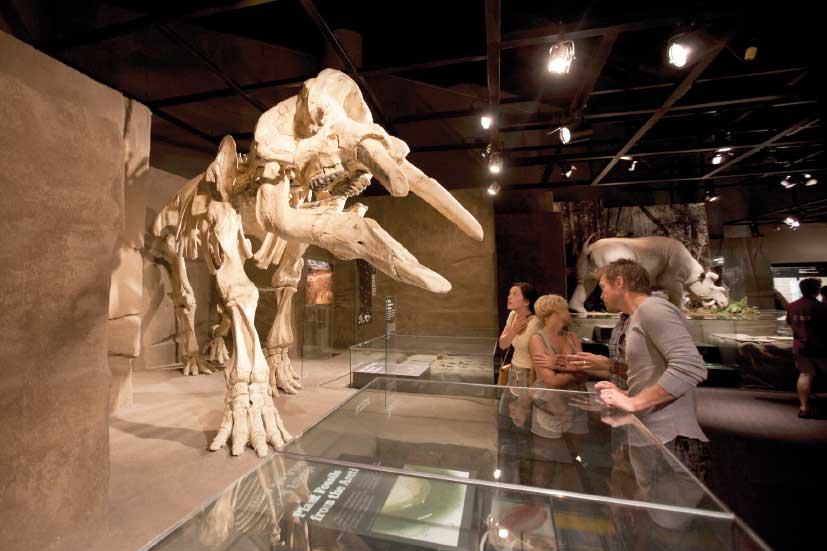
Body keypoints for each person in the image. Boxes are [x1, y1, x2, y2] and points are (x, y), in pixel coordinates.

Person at [590, 259, 711, 481]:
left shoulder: (653, 309)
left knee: (669, 515)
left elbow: (690, 367)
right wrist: (626, 394)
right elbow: (654, 373)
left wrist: (634, 403)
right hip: (652, 436)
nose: (601, 295)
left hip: (670, 439)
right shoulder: (641, 314)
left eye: (603, 288)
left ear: (620, 282)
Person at [786, 278, 827, 418]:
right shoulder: (821, 307)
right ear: (816, 290)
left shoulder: (792, 306)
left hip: (800, 346)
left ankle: (804, 407)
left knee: (804, 375)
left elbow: (790, 323)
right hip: (820, 347)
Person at [498, 283, 542, 388]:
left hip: (530, 374)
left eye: (515, 294)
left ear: (526, 301)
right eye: (510, 293)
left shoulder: (536, 323)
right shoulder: (513, 315)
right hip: (514, 371)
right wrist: (513, 330)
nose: (509, 297)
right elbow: (502, 345)